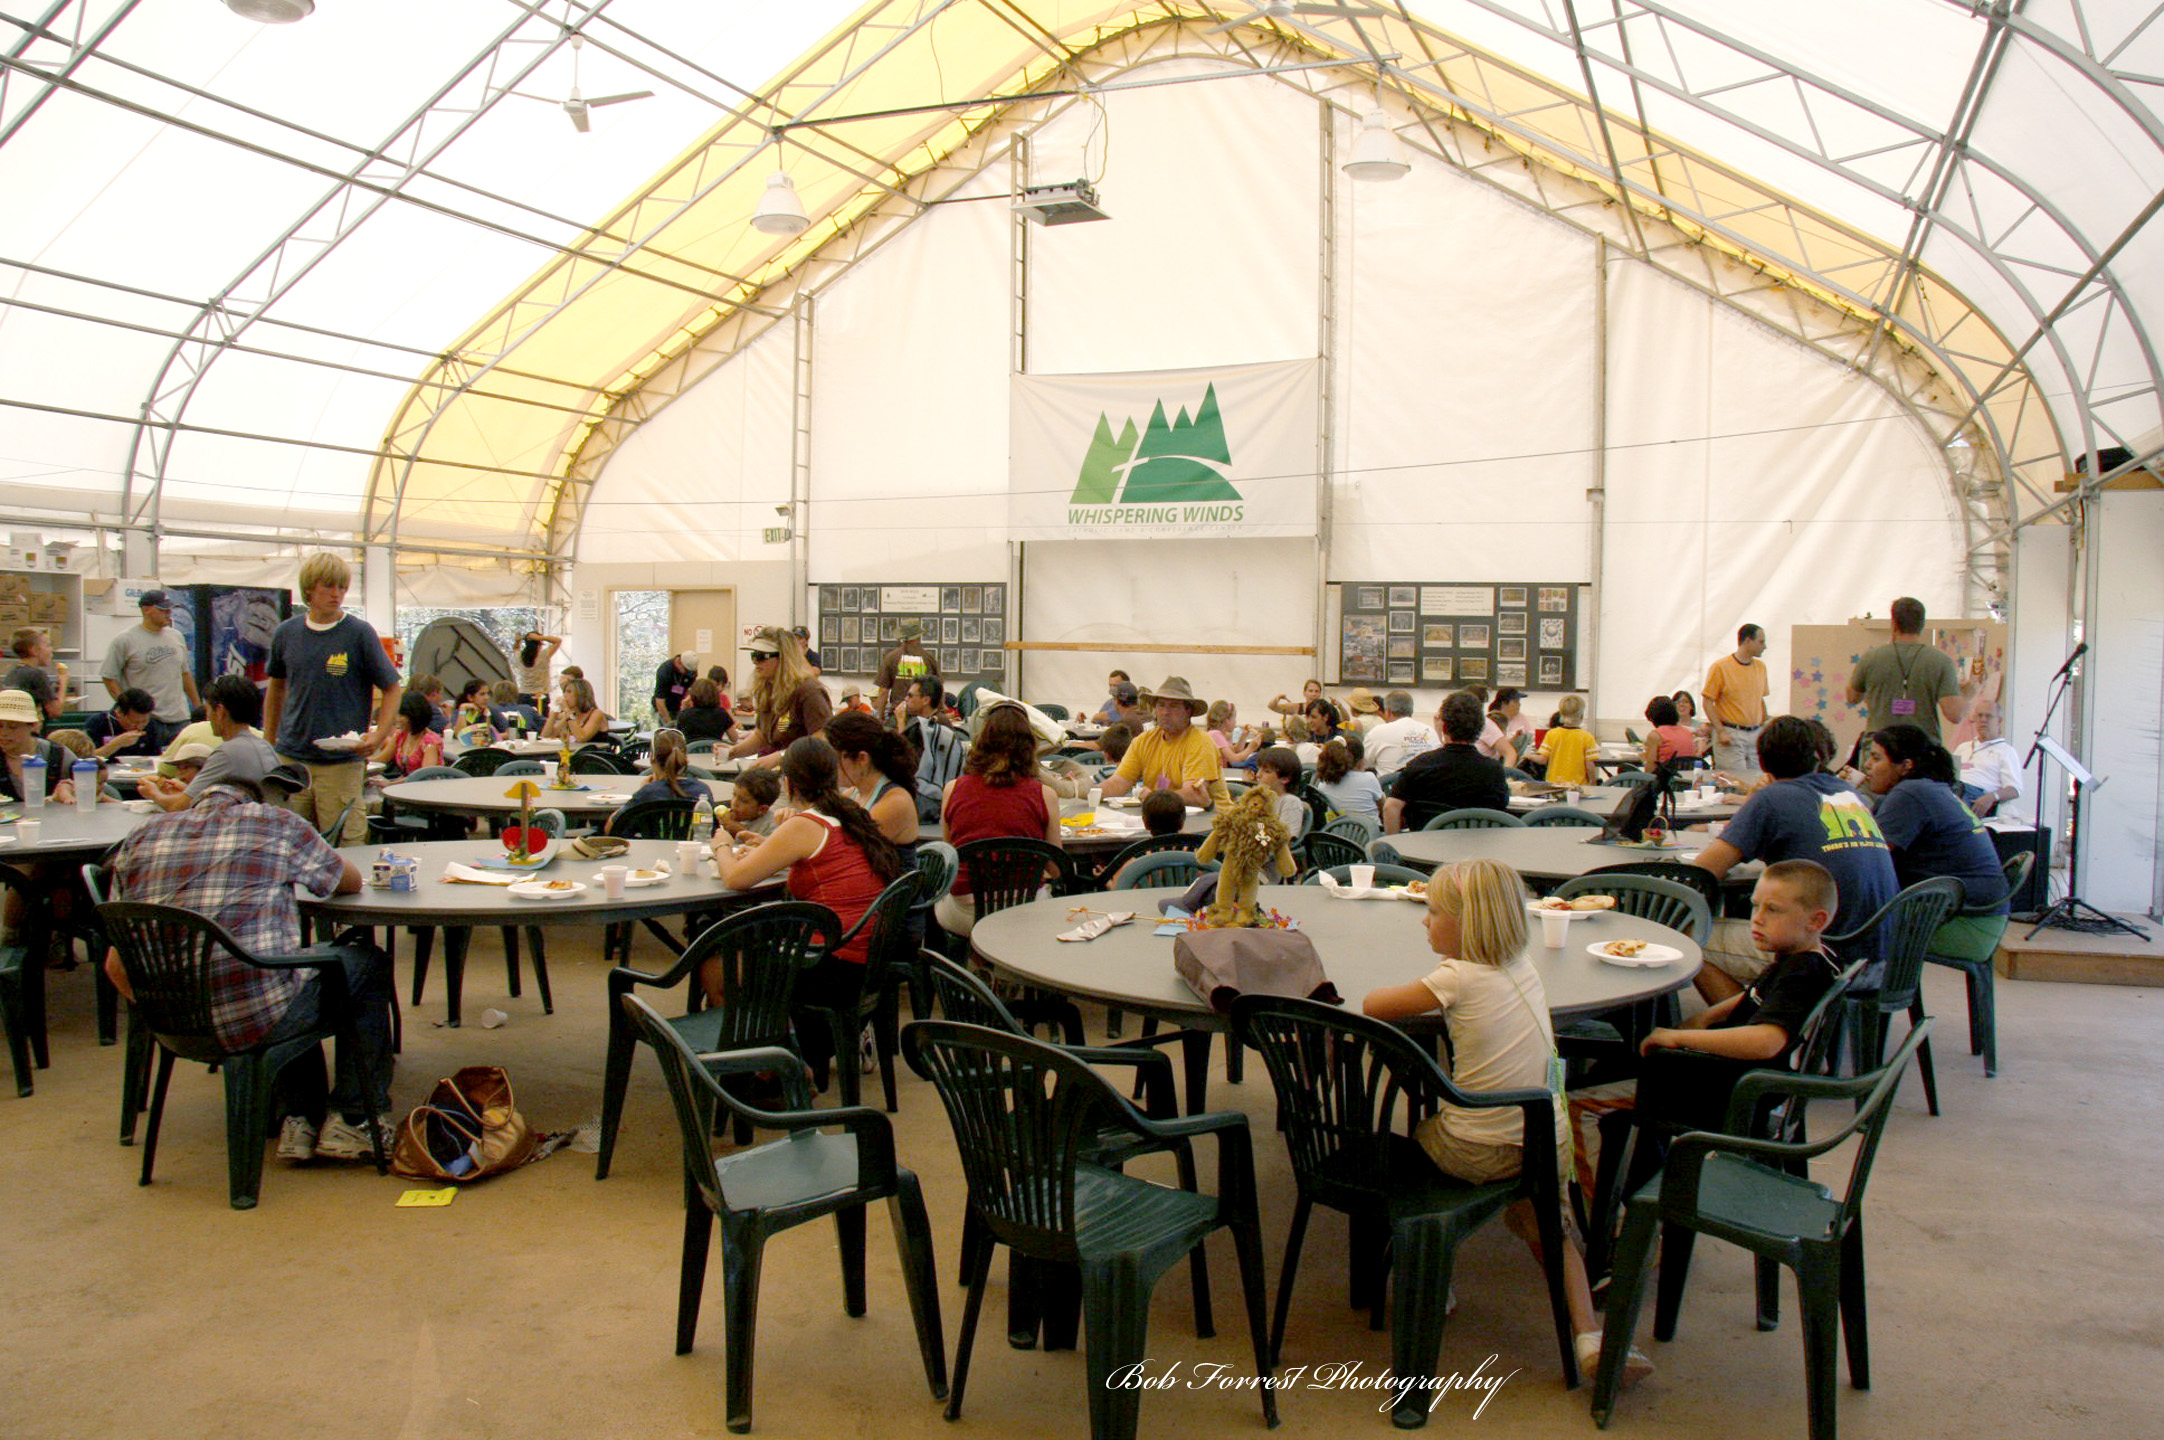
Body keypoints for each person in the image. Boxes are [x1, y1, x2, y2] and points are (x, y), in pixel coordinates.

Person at [1364, 859, 1651, 1386]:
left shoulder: (1455, 975)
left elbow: (1374, 1004)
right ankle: (1590, 1335)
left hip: (1477, 1148)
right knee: (1551, 1225)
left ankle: (1435, 1273)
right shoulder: (1523, 965)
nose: (1424, 922)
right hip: (1546, 1136)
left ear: (1465, 923)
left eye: (1433, 913)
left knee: (1421, 1136)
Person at [107, 772, 396, 1163]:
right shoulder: (275, 822)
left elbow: (115, 966)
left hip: (172, 1020)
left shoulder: (140, 838)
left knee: (287, 970)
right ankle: (355, 1118)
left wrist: (168, 1012)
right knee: (359, 963)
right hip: (255, 1013)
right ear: (257, 801)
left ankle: (300, 1117)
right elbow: (347, 881)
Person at [1569, 861, 1842, 1201]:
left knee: (1574, 1105)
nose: (1757, 918)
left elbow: (1767, 1041)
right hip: (1729, 1079)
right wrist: (1708, 1015)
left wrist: (1678, 1037)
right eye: (1756, 905)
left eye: (1773, 910)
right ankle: (1638, 1184)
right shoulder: (1809, 958)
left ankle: (1607, 1231)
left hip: (1723, 1089)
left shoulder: (1801, 975)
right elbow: (1757, 998)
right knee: (1612, 1068)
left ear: (1817, 921)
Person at [1691, 715, 1897, 1002]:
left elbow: (1702, 872)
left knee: (1687, 936)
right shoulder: (1848, 793)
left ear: (1763, 763)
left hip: (1824, 958)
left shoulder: (1773, 798)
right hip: (1881, 956)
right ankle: (1761, 1009)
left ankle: (1748, 1027)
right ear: (1816, 757)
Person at [712, 737, 901, 1019]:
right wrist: (766, 843)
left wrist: (722, 845)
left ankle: (760, 1052)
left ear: (788, 783)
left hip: (828, 964)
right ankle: (777, 1044)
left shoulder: (805, 824)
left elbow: (735, 879)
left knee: (715, 965)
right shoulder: (850, 814)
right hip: (863, 958)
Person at [263, 553, 402, 847]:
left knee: (347, 845)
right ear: (309, 589)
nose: (336, 594)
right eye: (328, 586)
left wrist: (380, 734)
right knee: (289, 844)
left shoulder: (359, 634)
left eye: (341, 587)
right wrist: (269, 740)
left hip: (341, 763)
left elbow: (392, 688)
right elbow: (276, 688)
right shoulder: (287, 633)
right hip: (292, 759)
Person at [1861, 723, 2011, 964]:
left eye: (1876, 757)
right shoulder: (1930, 788)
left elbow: (1869, 860)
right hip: (1981, 917)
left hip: (1966, 924)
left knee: (1842, 924)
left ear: (1905, 766)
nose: (1867, 765)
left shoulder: (1910, 793)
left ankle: (1860, 999)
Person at [936, 700, 1064, 938]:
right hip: (1024, 909)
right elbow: (1056, 868)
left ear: (981, 740)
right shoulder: (1045, 795)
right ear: (1029, 745)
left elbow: (951, 854)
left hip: (967, 910)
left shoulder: (952, 789)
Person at [141, 675, 279, 810]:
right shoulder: (265, 747)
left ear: (219, 711)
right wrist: (188, 791)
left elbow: (179, 806)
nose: (208, 717)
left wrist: (153, 793)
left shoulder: (227, 752)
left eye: (208, 710)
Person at [1845, 597, 1968, 741]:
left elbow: (1852, 697)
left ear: (1894, 624)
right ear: (1922, 625)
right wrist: (1968, 694)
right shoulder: (1941, 661)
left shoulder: (1871, 658)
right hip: (1922, 749)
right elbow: (1954, 715)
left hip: (1880, 748)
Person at [1385, 691, 1510, 833]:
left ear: (1444, 725)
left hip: (1425, 849)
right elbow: (1501, 812)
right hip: (1477, 850)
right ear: (1480, 728)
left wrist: (1394, 848)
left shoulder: (1421, 765)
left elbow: (1391, 807)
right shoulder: (1494, 771)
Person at [1099, 677, 1231, 810]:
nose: (1165, 712)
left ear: (1188, 711)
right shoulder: (1143, 741)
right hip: (1168, 818)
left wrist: (1154, 798)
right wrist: (1084, 790)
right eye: (1161, 705)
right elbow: (1119, 782)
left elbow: (1194, 794)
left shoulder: (1201, 742)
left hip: (1214, 823)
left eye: (1174, 706)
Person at [102, 589, 199, 751]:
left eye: (170, 608)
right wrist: (128, 709)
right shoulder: (125, 640)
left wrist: (197, 707)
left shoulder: (176, 637)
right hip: (148, 719)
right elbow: (108, 676)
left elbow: (185, 674)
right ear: (146, 610)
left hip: (180, 717)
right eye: (162, 609)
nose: (168, 613)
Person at [826, 710, 920, 867]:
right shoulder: (853, 794)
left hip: (890, 890)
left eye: (833, 757)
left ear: (862, 758)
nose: (829, 764)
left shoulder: (895, 802)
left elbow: (842, 853)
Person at [729, 626, 832, 766]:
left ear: (783, 658)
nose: (755, 662)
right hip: (778, 774)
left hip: (806, 776)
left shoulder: (809, 691)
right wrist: (732, 752)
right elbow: (763, 735)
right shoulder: (767, 689)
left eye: (762, 656)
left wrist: (780, 757)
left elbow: (821, 741)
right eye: (753, 656)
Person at [1701, 623, 1770, 777]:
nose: (1764, 646)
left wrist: (1765, 723)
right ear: (1747, 641)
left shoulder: (1760, 667)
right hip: (1731, 732)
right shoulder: (1721, 667)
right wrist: (1720, 730)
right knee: (1734, 779)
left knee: (1757, 778)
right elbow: (1707, 701)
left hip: (1755, 732)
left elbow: (1759, 699)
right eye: (1761, 642)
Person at [609, 728, 702, 833]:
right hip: (693, 848)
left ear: (652, 757)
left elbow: (611, 829)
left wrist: (642, 791)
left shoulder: (647, 793)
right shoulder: (702, 791)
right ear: (685, 758)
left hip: (648, 849)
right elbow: (705, 826)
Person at [0, 689, 76, 804]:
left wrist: (69, 789)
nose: (4, 733)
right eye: (0, 726)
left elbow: (96, 788)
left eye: (13, 727)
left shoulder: (57, 755)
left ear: (32, 726)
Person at [1956, 699, 2026, 823]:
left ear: (1999, 721)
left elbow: (2015, 789)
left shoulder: (2006, 751)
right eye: (1980, 716)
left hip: (1977, 795)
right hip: (1955, 788)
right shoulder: (1963, 747)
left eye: (1988, 716)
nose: (1983, 720)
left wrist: (1991, 797)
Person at [873, 618, 939, 721]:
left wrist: (880, 717)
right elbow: (939, 688)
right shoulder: (929, 658)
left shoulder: (891, 657)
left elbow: (884, 692)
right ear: (919, 636)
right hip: (923, 718)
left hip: (899, 715)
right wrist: (941, 710)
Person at [370, 692, 445, 779]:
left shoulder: (430, 742)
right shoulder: (401, 736)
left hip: (424, 787)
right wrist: (359, 760)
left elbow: (424, 776)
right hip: (405, 784)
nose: (397, 719)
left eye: (401, 715)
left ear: (414, 716)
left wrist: (391, 784)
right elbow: (382, 759)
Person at [1314, 734, 1384, 826]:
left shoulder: (1323, 785)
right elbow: (1383, 807)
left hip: (1336, 836)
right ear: (1360, 762)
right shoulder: (1369, 779)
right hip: (1369, 836)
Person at [1363, 690, 1436, 777]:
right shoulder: (1430, 731)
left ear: (1388, 711)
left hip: (1389, 788)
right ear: (1411, 710)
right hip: (1427, 787)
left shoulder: (1377, 733)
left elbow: (1364, 763)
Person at [1534, 694, 1596, 787]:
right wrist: (1592, 782)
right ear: (1581, 716)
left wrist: (1528, 756)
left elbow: (1543, 759)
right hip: (1578, 785)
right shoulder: (1587, 737)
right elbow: (1589, 766)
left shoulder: (1552, 734)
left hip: (1554, 784)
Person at [4, 626, 64, 721]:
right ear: (34, 650)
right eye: (48, 645)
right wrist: (63, 682)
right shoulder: (36, 675)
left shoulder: (12, 673)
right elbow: (55, 711)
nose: (51, 650)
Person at [86, 688, 160, 761]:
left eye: (144, 721)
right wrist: (117, 743)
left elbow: (156, 756)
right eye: (134, 722)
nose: (139, 727)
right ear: (119, 713)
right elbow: (87, 758)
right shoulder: (98, 722)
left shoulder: (151, 724)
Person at [540, 676, 610, 746]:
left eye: (569, 692)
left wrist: (566, 709)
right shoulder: (571, 715)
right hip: (576, 754)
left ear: (581, 695)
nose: (564, 695)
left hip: (595, 754)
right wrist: (554, 712)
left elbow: (581, 737)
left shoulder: (596, 714)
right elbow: (546, 736)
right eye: (564, 692)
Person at [720, 767, 782, 841]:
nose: (734, 803)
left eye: (742, 800)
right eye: (734, 795)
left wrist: (740, 831)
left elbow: (766, 848)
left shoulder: (773, 826)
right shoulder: (736, 817)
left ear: (762, 809)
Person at [1639, 695, 1699, 770]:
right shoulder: (1688, 733)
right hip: (1686, 778)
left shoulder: (1656, 735)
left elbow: (1650, 769)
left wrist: (1644, 760)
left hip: (1665, 779)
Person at [1204, 700, 1261, 774]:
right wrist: (1251, 748)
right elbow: (1233, 759)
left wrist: (1243, 736)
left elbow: (1235, 751)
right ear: (1227, 720)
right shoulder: (1216, 735)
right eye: (1234, 719)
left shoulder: (1218, 734)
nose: (1235, 722)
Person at [675, 677, 735, 745]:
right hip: (714, 752)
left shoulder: (685, 715)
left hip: (691, 753)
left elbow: (677, 739)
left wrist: (683, 708)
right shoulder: (722, 714)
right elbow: (734, 738)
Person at [513, 630, 562, 713]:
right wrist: (540, 637)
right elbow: (558, 641)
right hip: (540, 696)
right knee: (541, 722)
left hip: (523, 695)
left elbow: (515, 648)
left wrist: (517, 641)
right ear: (539, 644)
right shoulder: (543, 655)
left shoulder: (519, 657)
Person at [652, 652, 699, 726]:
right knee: (668, 733)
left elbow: (691, 689)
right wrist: (670, 724)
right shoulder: (664, 671)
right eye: (686, 670)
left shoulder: (691, 671)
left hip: (679, 706)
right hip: (665, 707)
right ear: (679, 662)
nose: (688, 673)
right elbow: (660, 701)